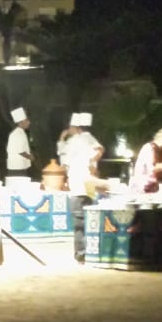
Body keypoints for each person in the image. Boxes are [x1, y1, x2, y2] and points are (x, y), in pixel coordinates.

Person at [58, 112, 104, 263]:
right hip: (89, 184)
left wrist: (61, 140)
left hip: (77, 185)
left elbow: (64, 163)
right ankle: (91, 251)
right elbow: (100, 149)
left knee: (79, 222)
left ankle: (81, 255)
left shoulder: (74, 141)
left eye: (71, 127)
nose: (69, 129)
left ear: (76, 128)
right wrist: (92, 163)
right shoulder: (89, 138)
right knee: (89, 217)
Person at [130, 128, 162, 193]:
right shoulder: (149, 148)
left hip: (151, 187)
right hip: (143, 187)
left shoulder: (158, 149)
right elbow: (152, 168)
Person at [6, 107, 33, 177]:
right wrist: (30, 157)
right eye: (26, 120)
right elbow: (21, 151)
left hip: (19, 166)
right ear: (21, 122)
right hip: (17, 167)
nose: (29, 123)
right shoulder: (18, 134)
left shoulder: (20, 132)